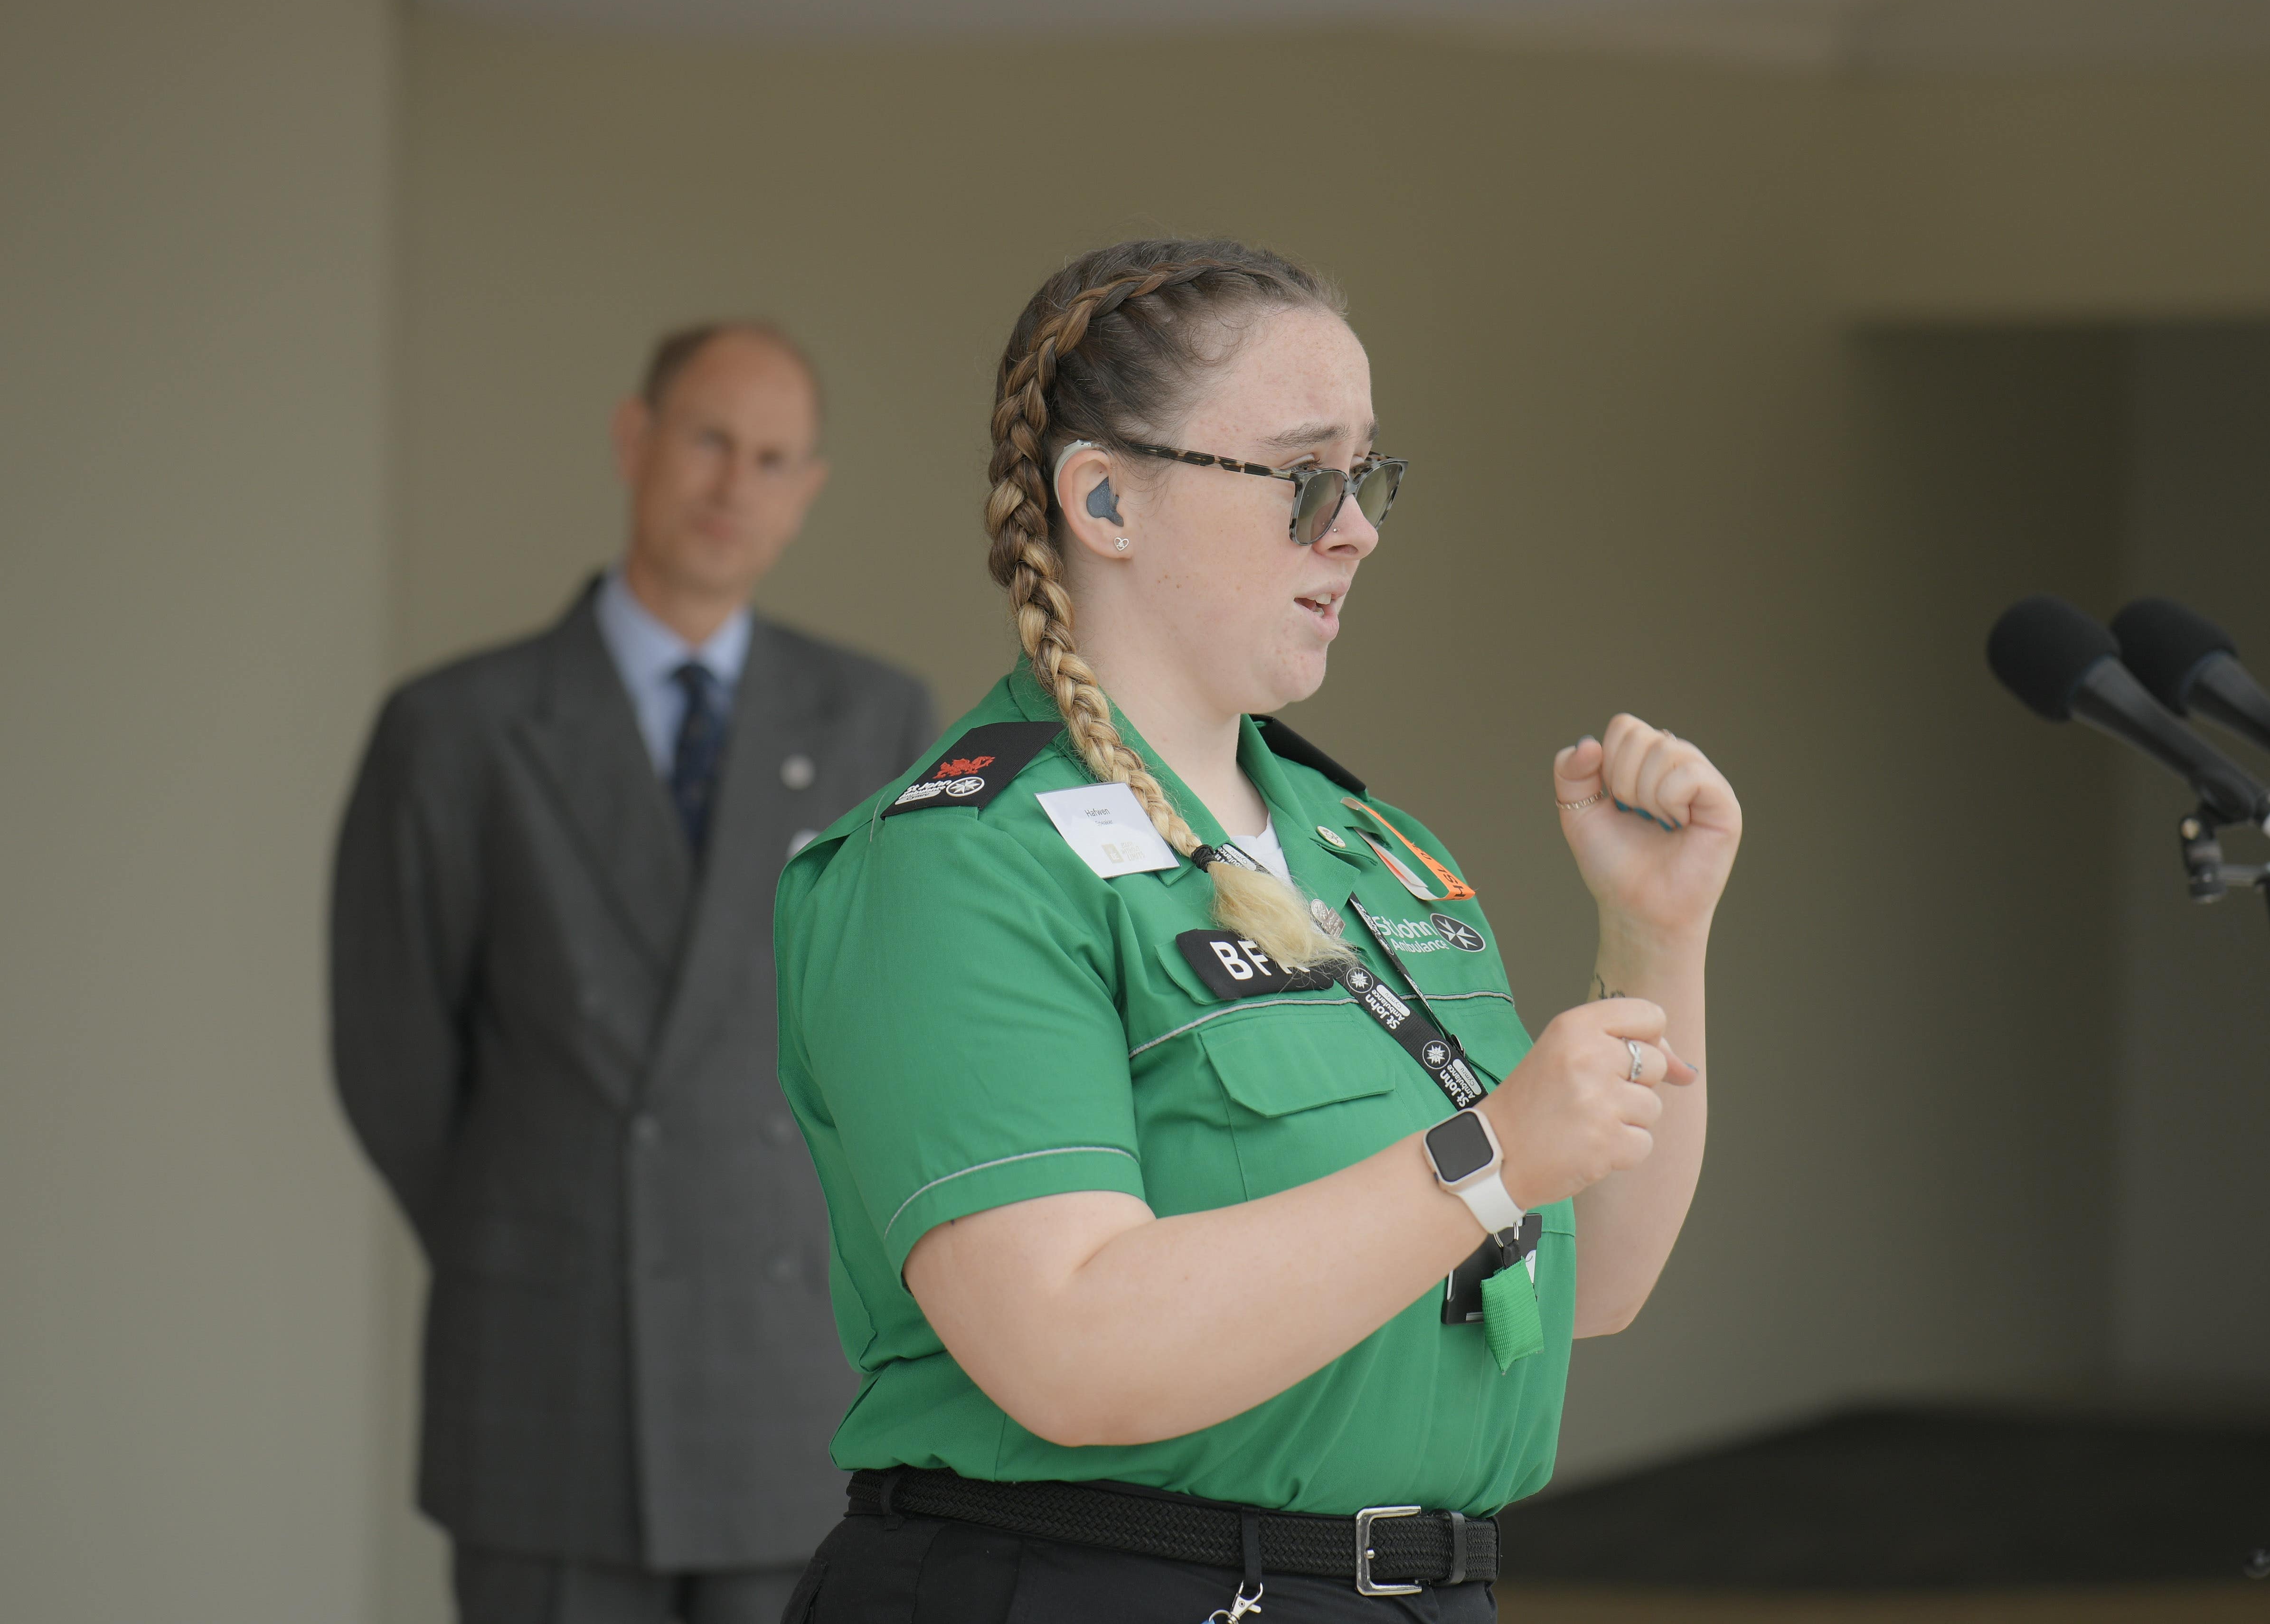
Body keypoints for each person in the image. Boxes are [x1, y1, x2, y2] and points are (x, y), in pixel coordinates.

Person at [772, 241, 1741, 1621]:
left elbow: (1593, 1282)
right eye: (1304, 478)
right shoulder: (960, 864)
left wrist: (1656, 935)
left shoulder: (1371, 853)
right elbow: (1069, 1346)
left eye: (1367, 478)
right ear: (1104, 498)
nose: (1354, 529)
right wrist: (1488, 1152)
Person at [331, 322, 937, 1624]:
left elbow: (899, 1044)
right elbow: (391, 1056)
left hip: (789, 1378)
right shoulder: (455, 727)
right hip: (546, 1365)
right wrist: (549, 1224)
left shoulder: (876, 720)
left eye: (772, 459)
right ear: (634, 440)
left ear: (806, 492)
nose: (733, 485)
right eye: (709, 439)